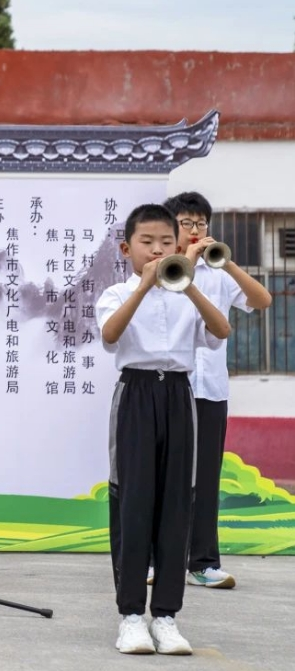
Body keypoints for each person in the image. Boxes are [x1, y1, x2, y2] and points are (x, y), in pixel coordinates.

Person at [96, 204, 230, 655]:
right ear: (126, 248)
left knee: (177, 504)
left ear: (180, 246)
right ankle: (131, 616)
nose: (157, 250)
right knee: (134, 503)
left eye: (166, 243)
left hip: (178, 394)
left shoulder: (186, 292)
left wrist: (187, 284)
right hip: (135, 395)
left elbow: (221, 330)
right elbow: (111, 335)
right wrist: (145, 285)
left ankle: (167, 617)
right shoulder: (116, 292)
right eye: (146, 243)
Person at [164, 191, 272, 589]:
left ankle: (203, 562)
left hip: (211, 389)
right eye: (187, 223)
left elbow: (262, 300)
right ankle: (157, 560)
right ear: (171, 226)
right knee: (166, 475)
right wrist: (186, 260)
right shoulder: (162, 268)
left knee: (205, 478)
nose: (195, 230)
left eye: (201, 223)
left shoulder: (219, 272)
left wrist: (226, 262)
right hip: (171, 385)